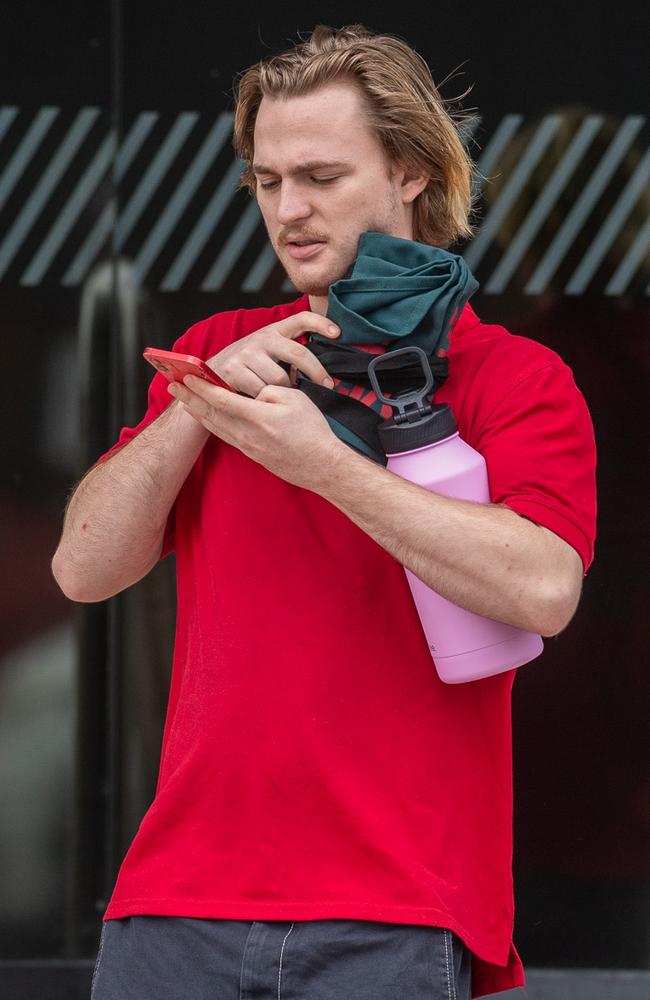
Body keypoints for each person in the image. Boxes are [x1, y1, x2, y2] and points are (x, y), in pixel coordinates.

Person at [52, 24, 597, 1000]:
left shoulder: (513, 374)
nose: (288, 210)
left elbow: (542, 590)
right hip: (178, 896)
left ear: (413, 174)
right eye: (266, 182)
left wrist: (325, 466)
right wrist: (197, 403)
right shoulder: (219, 350)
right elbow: (83, 568)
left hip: (396, 904)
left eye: (320, 176)